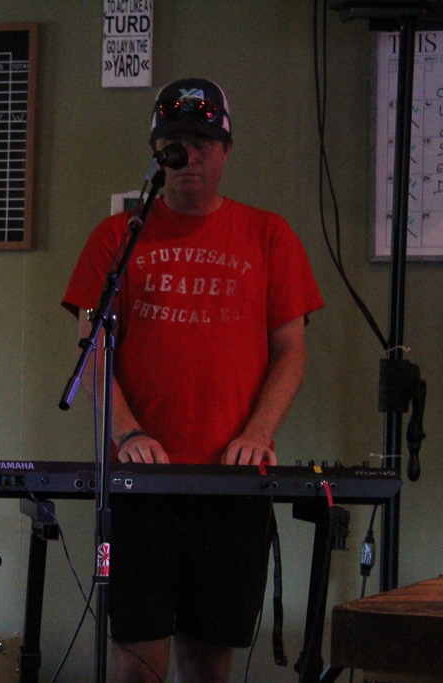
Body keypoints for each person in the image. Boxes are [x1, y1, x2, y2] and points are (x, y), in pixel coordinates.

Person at [63, 78, 325, 683]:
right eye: (176, 142)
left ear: (226, 150)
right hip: (139, 483)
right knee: (138, 660)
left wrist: (258, 432)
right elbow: (91, 349)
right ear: (158, 151)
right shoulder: (116, 237)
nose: (190, 155)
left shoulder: (269, 235)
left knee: (209, 661)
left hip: (232, 481)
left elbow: (292, 350)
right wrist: (127, 434)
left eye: (204, 141)